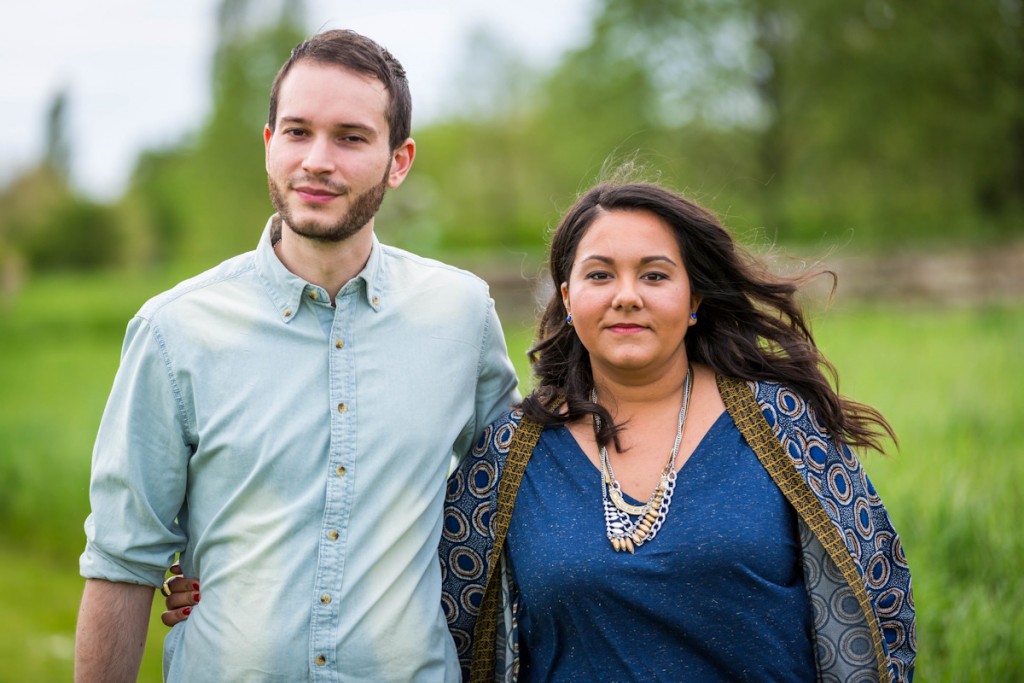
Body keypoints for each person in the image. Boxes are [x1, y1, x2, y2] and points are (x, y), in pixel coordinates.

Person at [165, 179, 916, 681]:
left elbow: (878, 601)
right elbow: (410, 578)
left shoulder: (782, 426)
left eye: (655, 275)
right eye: (600, 274)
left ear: (693, 299)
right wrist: (241, 585)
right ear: (568, 296)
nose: (627, 296)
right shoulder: (509, 454)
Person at [74, 29, 518, 683]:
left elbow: (521, 494)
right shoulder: (176, 330)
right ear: (268, 144)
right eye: (297, 131)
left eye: (351, 137)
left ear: (400, 160)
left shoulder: (461, 316)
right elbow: (122, 559)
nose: (317, 159)